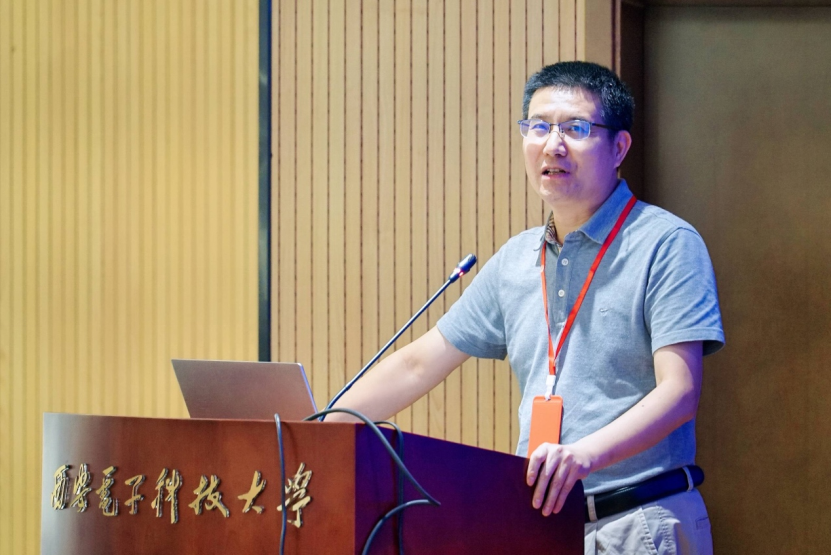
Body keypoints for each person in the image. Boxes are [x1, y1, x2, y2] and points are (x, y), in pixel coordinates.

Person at [329, 61, 724, 554]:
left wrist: (583, 455)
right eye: (538, 126)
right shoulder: (517, 258)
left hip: (638, 522)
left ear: (619, 147)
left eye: (576, 128)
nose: (552, 144)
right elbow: (417, 364)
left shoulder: (666, 243)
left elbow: (680, 391)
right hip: (539, 526)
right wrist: (318, 432)